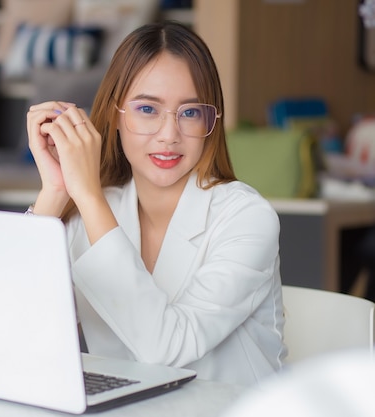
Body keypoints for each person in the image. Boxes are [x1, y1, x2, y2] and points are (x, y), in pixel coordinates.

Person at [25, 21, 286, 386]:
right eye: (148, 109)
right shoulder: (93, 209)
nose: (169, 136)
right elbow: (11, 325)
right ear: (116, 114)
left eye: (190, 113)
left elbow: (166, 350)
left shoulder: (246, 218)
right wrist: (54, 191)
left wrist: (86, 194)